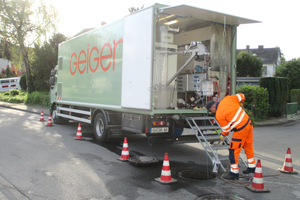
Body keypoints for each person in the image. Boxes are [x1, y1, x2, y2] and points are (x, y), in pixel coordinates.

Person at [205, 93, 256, 180]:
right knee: (248, 145)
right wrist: (241, 102)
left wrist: (222, 135)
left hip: (240, 128)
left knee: (233, 150)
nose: (211, 112)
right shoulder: (227, 99)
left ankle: (234, 173)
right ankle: (252, 167)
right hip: (248, 123)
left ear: (213, 107)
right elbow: (242, 95)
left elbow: (226, 130)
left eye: (210, 110)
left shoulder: (219, 115)